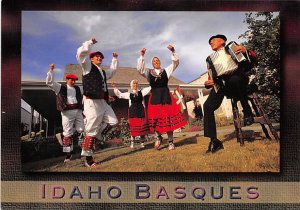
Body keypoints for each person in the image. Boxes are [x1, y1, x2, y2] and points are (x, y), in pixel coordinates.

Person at [203, 34, 257, 153]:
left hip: (238, 79)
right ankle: (214, 141)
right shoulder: (210, 58)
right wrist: (209, 82)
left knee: (234, 79)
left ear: (222, 41)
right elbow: (211, 75)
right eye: (210, 42)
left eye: (213, 40)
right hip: (222, 85)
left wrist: (245, 50)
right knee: (207, 106)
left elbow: (252, 59)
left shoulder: (232, 46)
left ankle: (247, 111)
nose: (211, 43)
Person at [76, 37, 119, 168]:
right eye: (97, 56)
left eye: (101, 57)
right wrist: (89, 43)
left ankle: (97, 136)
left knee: (113, 121)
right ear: (91, 59)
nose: (99, 58)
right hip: (91, 102)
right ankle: (88, 158)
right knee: (91, 130)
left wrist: (115, 59)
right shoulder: (87, 66)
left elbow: (112, 71)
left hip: (102, 101)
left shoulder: (102, 72)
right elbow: (80, 54)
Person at [137, 45, 186, 151]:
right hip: (154, 99)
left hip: (165, 98)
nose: (156, 62)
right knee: (154, 121)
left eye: (157, 60)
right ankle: (158, 137)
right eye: (154, 61)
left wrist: (173, 51)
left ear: (160, 62)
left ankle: (171, 142)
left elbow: (175, 63)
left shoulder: (166, 70)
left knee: (168, 121)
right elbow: (140, 69)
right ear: (152, 63)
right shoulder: (148, 72)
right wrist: (142, 55)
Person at [46, 63, 84, 163]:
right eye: (71, 80)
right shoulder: (60, 87)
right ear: (67, 80)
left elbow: (87, 89)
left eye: (74, 80)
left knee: (81, 129)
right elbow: (49, 82)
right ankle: (68, 154)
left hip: (78, 111)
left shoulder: (78, 88)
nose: (73, 81)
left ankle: (62, 135)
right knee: (68, 133)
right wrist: (51, 71)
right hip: (67, 112)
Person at [112, 80, 151, 149]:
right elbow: (120, 95)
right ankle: (132, 144)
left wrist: (153, 83)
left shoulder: (141, 92)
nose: (135, 85)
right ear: (131, 85)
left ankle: (142, 143)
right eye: (134, 84)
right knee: (133, 128)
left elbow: (149, 88)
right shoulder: (129, 94)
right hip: (133, 112)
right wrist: (115, 88)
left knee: (141, 127)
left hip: (141, 111)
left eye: (136, 84)